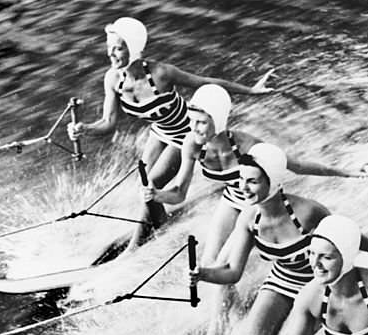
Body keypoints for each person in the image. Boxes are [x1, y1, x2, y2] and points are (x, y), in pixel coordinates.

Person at [68, 17, 274, 247]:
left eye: (118, 48)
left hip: (186, 132)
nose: (111, 55)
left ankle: (136, 247)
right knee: (143, 183)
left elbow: (206, 82)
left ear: (134, 49)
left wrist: (251, 91)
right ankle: (159, 224)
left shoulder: (161, 73)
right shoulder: (113, 79)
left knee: (151, 184)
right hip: (160, 131)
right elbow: (108, 123)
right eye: (109, 48)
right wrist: (85, 130)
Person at [189, 143, 368, 335]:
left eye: (252, 181)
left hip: (318, 284)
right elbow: (232, 271)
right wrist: (203, 274)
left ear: (272, 181)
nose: (243, 188)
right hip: (281, 280)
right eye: (241, 180)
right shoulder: (249, 219)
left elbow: (345, 236)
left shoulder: (308, 212)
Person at [142, 85, 367, 270]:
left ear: (218, 120)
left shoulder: (248, 146)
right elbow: (179, 193)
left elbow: (296, 166)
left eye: (201, 122)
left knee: (222, 265)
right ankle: (225, 311)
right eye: (191, 121)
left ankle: (226, 317)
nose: (194, 128)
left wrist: (346, 172)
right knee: (208, 263)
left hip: (258, 204)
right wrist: (157, 195)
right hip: (231, 199)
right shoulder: (192, 144)